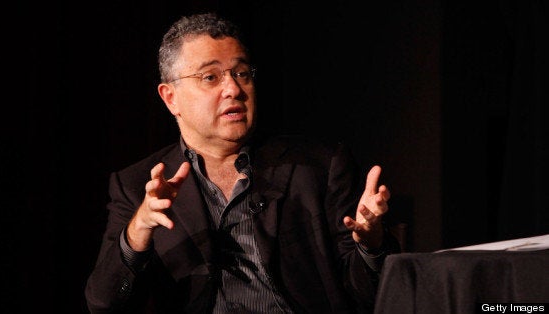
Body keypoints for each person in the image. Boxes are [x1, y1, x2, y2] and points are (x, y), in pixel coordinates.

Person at [85, 12, 400, 314]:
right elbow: (104, 304)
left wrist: (371, 245)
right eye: (211, 77)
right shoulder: (136, 186)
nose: (234, 89)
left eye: (242, 73)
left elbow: (371, 296)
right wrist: (139, 228)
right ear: (171, 98)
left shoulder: (318, 166)